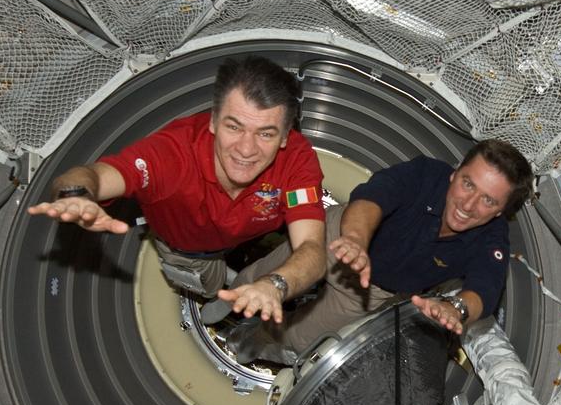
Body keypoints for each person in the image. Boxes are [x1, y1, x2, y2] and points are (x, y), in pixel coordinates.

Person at [26, 55, 326, 324]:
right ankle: (214, 294)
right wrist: (75, 193)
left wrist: (275, 285)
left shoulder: (297, 160)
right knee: (208, 284)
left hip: (250, 232)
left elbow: (312, 249)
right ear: (212, 122)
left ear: (286, 137)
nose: (246, 149)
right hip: (191, 250)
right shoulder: (172, 156)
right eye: (233, 127)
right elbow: (96, 175)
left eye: (265, 133)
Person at [228, 139, 533, 362]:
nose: (468, 204)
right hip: (336, 241)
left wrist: (457, 310)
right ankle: (231, 301)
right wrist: (356, 242)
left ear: (499, 212)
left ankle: (250, 342)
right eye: (468, 184)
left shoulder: (492, 238)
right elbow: (374, 197)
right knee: (264, 278)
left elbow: (486, 288)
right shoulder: (425, 174)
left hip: (368, 292)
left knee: (300, 339)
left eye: (488, 201)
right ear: (454, 174)